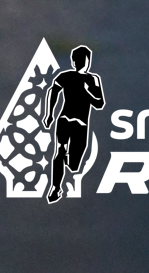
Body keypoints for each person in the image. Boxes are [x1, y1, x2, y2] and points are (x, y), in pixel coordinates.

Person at [41, 44, 104, 203]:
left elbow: (99, 103)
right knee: (60, 150)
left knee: (74, 164)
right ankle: (55, 187)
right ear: (74, 61)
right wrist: (49, 114)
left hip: (81, 125)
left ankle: (68, 162)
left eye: (84, 60)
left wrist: (87, 92)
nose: (82, 63)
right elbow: (53, 91)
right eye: (79, 60)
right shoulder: (65, 76)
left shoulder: (93, 79)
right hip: (65, 120)